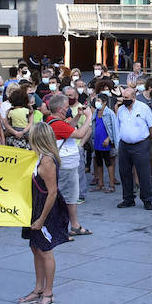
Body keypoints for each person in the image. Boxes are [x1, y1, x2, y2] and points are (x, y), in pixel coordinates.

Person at [20, 120, 70, 304]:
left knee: (45, 250)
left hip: (44, 210)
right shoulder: (38, 157)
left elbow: (53, 192)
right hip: (34, 207)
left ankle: (48, 293)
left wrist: (41, 219)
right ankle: (38, 288)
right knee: (35, 248)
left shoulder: (47, 160)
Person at [44, 94, 91, 236]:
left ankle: (75, 225)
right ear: (60, 110)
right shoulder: (57, 123)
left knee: (71, 197)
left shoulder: (54, 121)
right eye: (66, 107)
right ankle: (60, 229)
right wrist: (88, 117)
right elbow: (79, 134)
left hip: (68, 165)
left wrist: (77, 117)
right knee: (65, 198)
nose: (68, 109)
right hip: (65, 166)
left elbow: (67, 129)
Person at [115, 86, 152, 210]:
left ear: (134, 97)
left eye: (126, 97)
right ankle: (128, 199)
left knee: (144, 174)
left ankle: (147, 200)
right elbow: (118, 126)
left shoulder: (143, 108)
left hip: (140, 145)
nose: (124, 99)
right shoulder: (121, 109)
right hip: (124, 145)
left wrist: (144, 140)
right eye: (123, 97)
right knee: (124, 172)